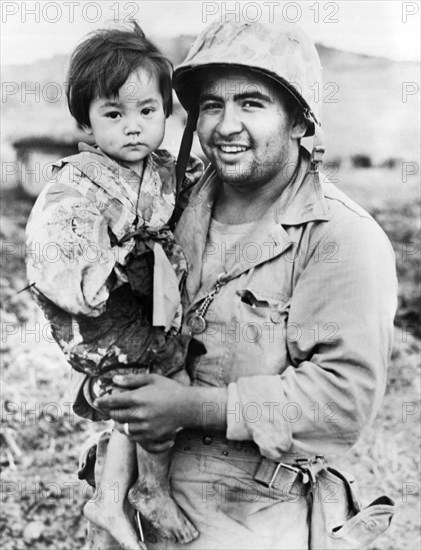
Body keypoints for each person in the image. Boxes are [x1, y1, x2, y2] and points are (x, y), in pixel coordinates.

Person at [85, 20, 398, 549]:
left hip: (250, 514)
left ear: (299, 120)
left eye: (252, 103)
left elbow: (343, 399)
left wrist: (188, 408)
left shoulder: (342, 238)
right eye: (211, 105)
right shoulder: (167, 205)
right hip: (133, 496)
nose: (226, 125)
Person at [25, 22, 203, 550]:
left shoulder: (166, 170)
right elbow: (59, 233)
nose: (133, 128)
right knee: (149, 395)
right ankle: (148, 489)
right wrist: (96, 268)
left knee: (160, 387)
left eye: (147, 112)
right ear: (85, 120)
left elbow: (196, 196)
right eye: (114, 114)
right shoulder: (80, 180)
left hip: (155, 311)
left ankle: (112, 498)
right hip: (111, 316)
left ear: (166, 114)